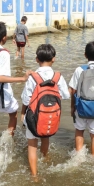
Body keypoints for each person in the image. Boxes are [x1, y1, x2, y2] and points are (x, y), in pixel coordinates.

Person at [0, 22, 31, 158]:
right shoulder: (3, 53)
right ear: (4, 38)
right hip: (0, 94)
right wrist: (22, 79)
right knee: (13, 113)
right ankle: (7, 143)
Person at [21, 44, 70, 178]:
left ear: (37, 59)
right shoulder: (58, 76)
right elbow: (66, 96)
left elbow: (26, 99)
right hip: (50, 116)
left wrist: (22, 114)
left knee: (32, 145)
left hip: (33, 116)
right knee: (45, 137)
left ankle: (34, 175)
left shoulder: (33, 77)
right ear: (53, 59)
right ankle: (45, 158)